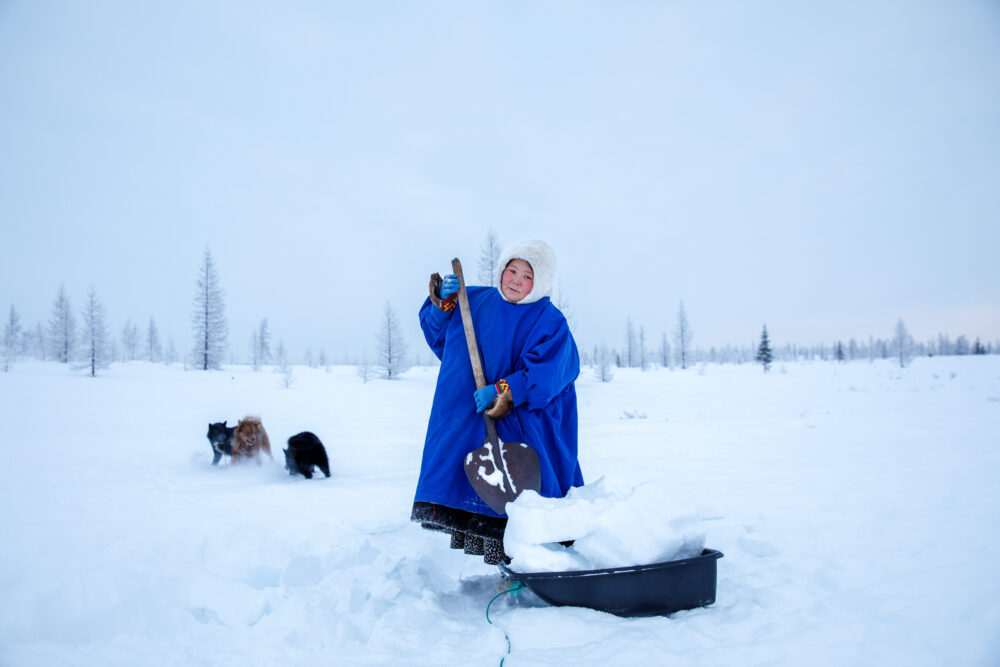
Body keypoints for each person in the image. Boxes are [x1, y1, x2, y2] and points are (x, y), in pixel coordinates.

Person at [410, 239, 584, 565]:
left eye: (527, 276)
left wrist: (505, 389)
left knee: (525, 499)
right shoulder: (473, 301)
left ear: (541, 282)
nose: (516, 280)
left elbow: (552, 372)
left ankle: (533, 564)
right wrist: (443, 303)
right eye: (512, 270)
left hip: (524, 424)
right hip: (472, 419)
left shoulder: (549, 319)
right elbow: (440, 336)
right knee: (486, 503)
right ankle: (506, 570)